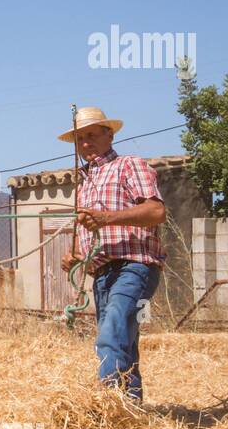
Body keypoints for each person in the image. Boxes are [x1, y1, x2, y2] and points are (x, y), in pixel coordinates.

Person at [58, 107, 167, 403]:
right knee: (124, 343)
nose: (85, 144)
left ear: (110, 134)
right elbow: (91, 237)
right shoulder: (83, 186)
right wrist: (78, 258)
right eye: (79, 138)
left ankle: (106, 403)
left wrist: (105, 218)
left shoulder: (130, 166)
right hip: (103, 276)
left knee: (112, 329)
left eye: (92, 135)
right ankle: (129, 414)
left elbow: (156, 212)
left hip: (135, 266)